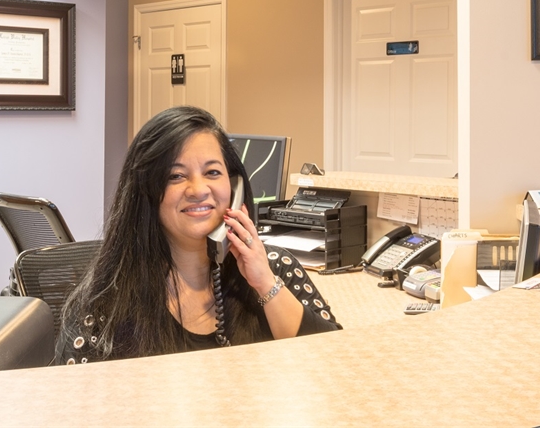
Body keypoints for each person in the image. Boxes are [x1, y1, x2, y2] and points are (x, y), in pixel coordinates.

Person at [55, 106, 340, 365]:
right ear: (147, 193)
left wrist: (264, 282)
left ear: (234, 186)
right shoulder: (107, 301)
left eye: (213, 172)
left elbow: (335, 364)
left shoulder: (275, 268)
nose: (198, 189)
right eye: (176, 176)